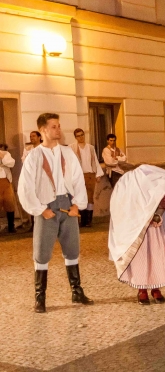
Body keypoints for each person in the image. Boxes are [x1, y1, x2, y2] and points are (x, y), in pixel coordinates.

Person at [17, 113, 93, 313]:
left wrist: (77, 204)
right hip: (46, 207)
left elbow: (78, 180)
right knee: (41, 253)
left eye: (59, 126)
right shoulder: (33, 157)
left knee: (72, 249)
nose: (58, 130)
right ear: (43, 130)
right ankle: (40, 298)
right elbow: (25, 187)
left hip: (67, 205)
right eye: (54, 126)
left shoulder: (68, 153)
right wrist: (40, 209)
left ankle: (77, 291)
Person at [108, 165, 165, 305]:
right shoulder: (130, 187)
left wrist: (158, 216)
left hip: (156, 231)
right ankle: (142, 290)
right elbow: (125, 207)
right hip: (138, 232)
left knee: (157, 257)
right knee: (140, 260)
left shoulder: (158, 187)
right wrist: (142, 219)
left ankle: (156, 287)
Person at [70, 129, 104, 228]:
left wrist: (98, 174)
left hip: (90, 174)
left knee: (89, 197)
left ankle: (88, 221)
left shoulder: (90, 147)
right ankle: (82, 220)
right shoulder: (72, 147)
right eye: (78, 136)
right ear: (75, 137)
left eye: (82, 135)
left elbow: (95, 161)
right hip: (78, 175)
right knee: (79, 197)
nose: (81, 137)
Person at [0, 144, 17, 233]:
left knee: (9, 203)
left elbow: (11, 163)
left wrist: (2, 156)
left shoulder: (5, 154)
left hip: (5, 181)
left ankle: (11, 226)